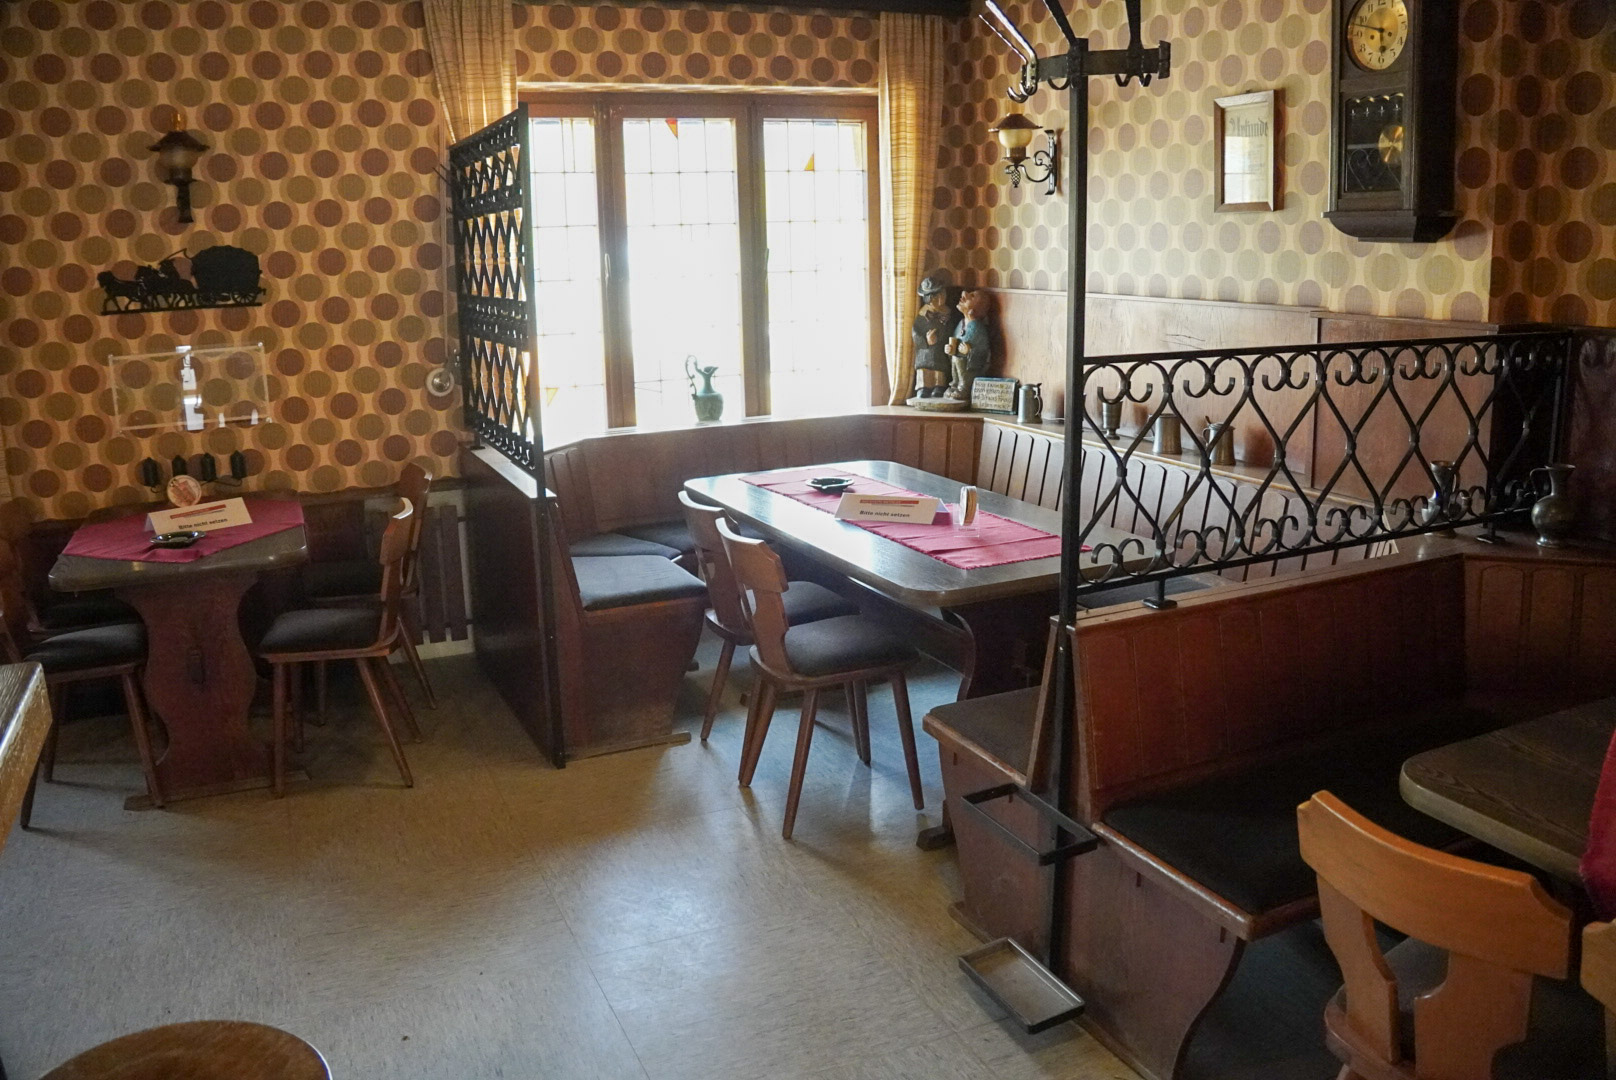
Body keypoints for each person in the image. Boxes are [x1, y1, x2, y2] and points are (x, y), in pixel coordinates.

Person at [910, 273, 960, 399]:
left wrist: (950, 342)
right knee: (924, 367)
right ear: (929, 298)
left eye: (943, 294)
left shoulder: (947, 313)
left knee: (939, 366)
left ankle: (939, 386)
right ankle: (923, 387)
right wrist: (926, 341)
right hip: (925, 350)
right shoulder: (922, 315)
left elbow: (952, 330)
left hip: (940, 348)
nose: (942, 297)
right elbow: (915, 333)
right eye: (938, 295)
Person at [945, 289, 993, 401]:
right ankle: (955, 385)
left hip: (971, 369)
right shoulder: (961, 323)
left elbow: (983, 351)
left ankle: (964, 388)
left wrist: (969, 351)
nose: (964, 294)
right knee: (955, 359)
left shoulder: (978, 328)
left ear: (973, 310)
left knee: (958, 360)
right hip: (957, 362)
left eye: (971, 297)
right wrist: (950, 349)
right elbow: (955, 341)